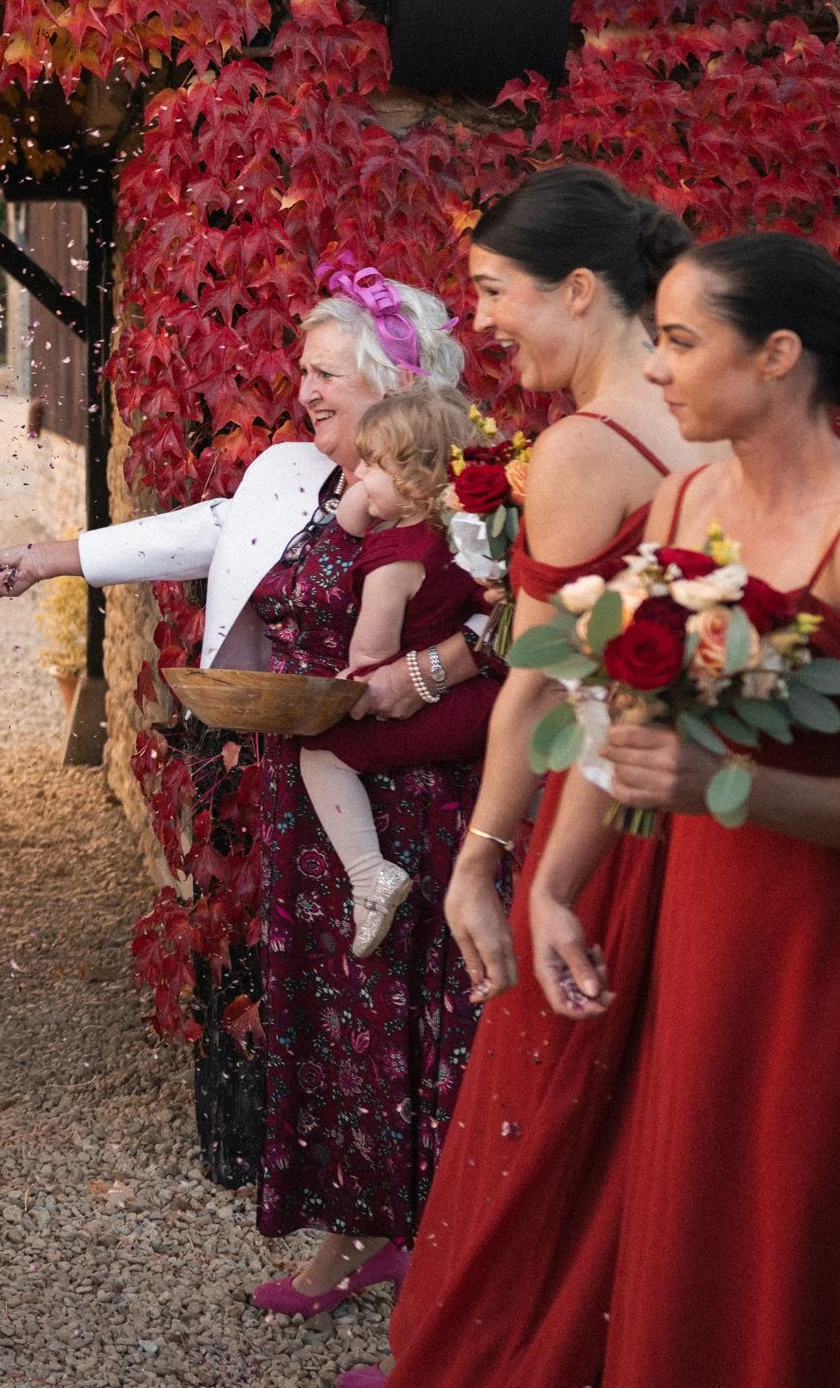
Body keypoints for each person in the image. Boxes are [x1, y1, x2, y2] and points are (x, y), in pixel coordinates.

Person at [0, 259, 488, 1313]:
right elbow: (206, 527)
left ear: (391, 380)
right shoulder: (292, 474)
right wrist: (50, 556)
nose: (306, 391)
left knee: (417, 1028)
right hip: (315, 796)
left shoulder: (460, 483)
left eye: (328, 374)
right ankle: (354, 1239)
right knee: (334, 1025)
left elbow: (513, 608)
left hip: (422, 796)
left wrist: (430, 666)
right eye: (305, 370)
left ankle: (444, 1261)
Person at [352, 166, 710, 1388]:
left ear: (577, 287)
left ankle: (510, 1355)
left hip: (597, 820)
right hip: (703, 820)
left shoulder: (580, 448)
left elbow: (539, 683)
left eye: (497, 293)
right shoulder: (709, 427)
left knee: (549, 1103)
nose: (485, 322)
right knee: (662, 1111)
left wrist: (480, 857)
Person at [527, 232, 840, 1388]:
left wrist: (740, 788)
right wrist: (557, 888)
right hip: (702, 921)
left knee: (796, 1208)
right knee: (699, 1190)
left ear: (778, 355)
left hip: (815, 936)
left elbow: (690, 763)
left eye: (678, 339)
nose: (652, 367)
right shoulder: (678, 499)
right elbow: (619, 723)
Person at [296, 385, 494, 956]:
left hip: (445, 706)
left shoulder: (392, 559)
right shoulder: (458, 537)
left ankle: (369, 877)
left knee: (319, 750)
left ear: (411, 481)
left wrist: (342, 683)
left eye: (372, 463)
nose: (356, 473)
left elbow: (369, 655)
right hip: (483, 695)